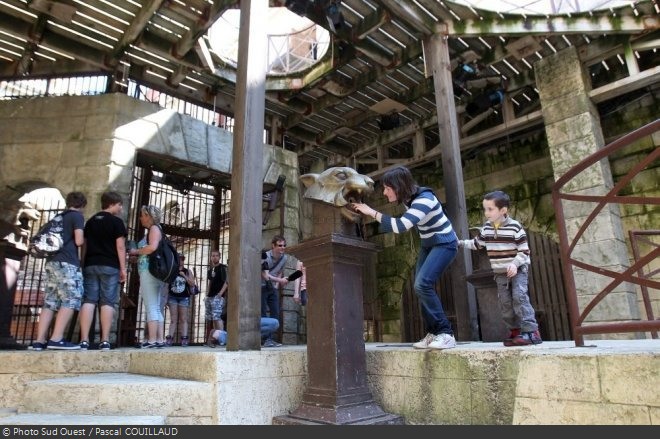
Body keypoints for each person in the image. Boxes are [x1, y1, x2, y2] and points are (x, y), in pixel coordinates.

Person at [352, 166, 458, 350]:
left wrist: (370, 211)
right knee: (420, 286)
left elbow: (401, 225)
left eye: (387, 188)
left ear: (398, 186)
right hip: (429, 244)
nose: (384, 192)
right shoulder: (409, 199)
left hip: (444, 244)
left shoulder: (424, 200)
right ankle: (434, 333)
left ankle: (445, 333)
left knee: (422, 284)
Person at [458, 190, 542, 346]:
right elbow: (477, 244)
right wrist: (460, 243)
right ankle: (515, 332)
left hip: (517, 270)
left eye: (490, 209)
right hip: (500, 273)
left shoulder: (515, 227)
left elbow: (524, 250)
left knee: (519, 297)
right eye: (485, 209)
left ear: (503, 210)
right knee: (505, 302)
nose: (486, 213)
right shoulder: (487, 229)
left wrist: (514, 264)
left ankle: (531, 332)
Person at [32, 191, 87, 351]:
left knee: (50, 301)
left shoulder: (58, 217)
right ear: (82, 204)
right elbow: (79, 240)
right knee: (72, 297)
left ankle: (40, 340)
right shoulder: (76, 216)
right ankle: (56, 338)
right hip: (67, 262)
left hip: (51, 262)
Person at [79, 191, 127, 351]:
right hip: (110, 265)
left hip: (91, 263)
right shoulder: (116, 222)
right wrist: (123, 268)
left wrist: (83, 263)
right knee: (107, 301)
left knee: (89, 300)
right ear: (112, 203)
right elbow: (120, 246)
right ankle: (105, 340)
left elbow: (84, 244)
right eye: (120, 204)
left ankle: (84, 340)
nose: (121, 208)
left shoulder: (91, 221)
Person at [127, 205, 166, 348]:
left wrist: (135, 251)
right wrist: (137, 257)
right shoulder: (155, 229)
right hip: (152, 271)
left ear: (149, 216)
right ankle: (160, 339)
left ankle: (152, 340)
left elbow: (152, 248)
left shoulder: (154, 229)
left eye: (142, 215)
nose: (140, 218)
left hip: (149, 272)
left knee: (151, 306)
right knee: (155, 306)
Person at [261, 235, 289, 347]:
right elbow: (264, 274)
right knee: (262, 312)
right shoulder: (265, 257)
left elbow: (280, 271)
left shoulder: (284, 258)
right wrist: (280, 280)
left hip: (272, 287)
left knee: (275, 312)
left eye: (284, 245)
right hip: (262, 286)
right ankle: (264, 339)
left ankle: (270, 339)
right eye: (280, 245)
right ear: (273, 246)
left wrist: (277, 285)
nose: (282, 248)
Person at [166, 253, 196, 347]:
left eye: (182, 259)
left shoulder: (187, 271)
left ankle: (184, 338)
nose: (180, 261)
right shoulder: (172, 270)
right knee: (173, 319)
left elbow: (192, 284)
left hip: (184, 298)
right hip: (172, 297)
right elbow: (166, 284)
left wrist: (184, 276)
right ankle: (169, 339)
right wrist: (165, 298)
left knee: (183, 319)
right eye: (179, 259)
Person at [207, 317, 280, 348]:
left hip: (253, 323)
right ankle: (218, 334)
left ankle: (218, 334)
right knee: (274, 323)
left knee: (274, 323)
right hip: (249, 317)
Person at [206, 250, 227, 334]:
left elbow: (227, 282)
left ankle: (222, 337)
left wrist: (220, 294)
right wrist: (207, 294)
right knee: (214, 318)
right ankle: (217, 337)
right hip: (210, 296)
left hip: (218, 296)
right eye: (213, 256)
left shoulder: (223, 268)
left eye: (216, 256)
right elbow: (210, 282)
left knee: (217, 317)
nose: (214, 257)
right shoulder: (210, 270)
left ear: (219, 257)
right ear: (211, 257)